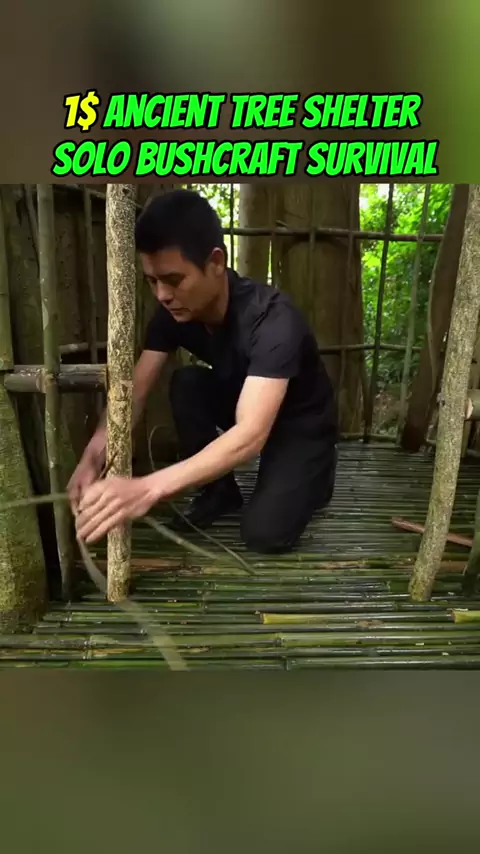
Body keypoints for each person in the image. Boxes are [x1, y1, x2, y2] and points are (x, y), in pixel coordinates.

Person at [71, 188, 338, 553]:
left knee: (264, 534)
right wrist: (91, 459)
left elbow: (250, 434)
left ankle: (316, 474)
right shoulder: (172, 314)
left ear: (215, 262)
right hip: (244, 399)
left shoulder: (273, 321)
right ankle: (218, 493)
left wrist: (148, 487)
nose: (162, 295)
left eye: (173, 279)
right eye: (152, 281)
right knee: (187, 383)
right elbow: (134, 395)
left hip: (299, 425)